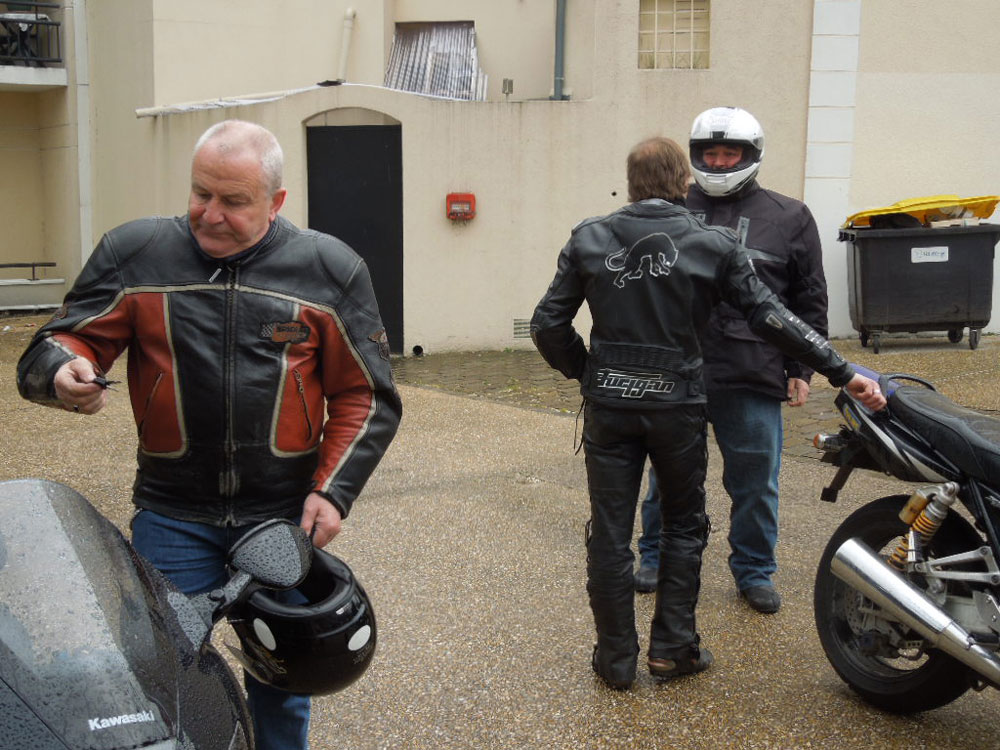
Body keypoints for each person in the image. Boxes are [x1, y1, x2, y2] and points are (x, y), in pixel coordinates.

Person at [16, 120, 402, 750]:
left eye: (234, 201)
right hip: (172, 514)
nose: (210, 214)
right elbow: (59, 341)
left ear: (276, 202)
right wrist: (63, 371)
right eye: (201, 193)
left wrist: (332, 492)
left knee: (283, 679)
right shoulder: (135, 253)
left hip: (279, 520)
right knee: (159, 680)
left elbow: (368, 395)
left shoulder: (330, 270)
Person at [530, 136, 884, 690]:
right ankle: (672, 650)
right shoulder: (713, 244)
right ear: (682, 181)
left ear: (632, 183)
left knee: (610, 530)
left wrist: (590, 373)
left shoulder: (589, 237)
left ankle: (616, 660)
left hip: (611, 406)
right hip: (677, 406)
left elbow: (547, 325)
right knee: (683, 524)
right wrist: (843, 372)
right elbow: (772, 316)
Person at [635, 107, 827, 615]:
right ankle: (654, 555)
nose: (719, 162)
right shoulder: (668, 211)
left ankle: (754, 570)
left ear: (751, 155)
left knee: (756, 483)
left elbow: (808, 300)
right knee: (666, 476)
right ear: (695, 156)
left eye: (730, 153)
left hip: (753, 372)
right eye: (711, 153)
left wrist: (801, 370)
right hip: (678, 371)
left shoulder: (790, 216)